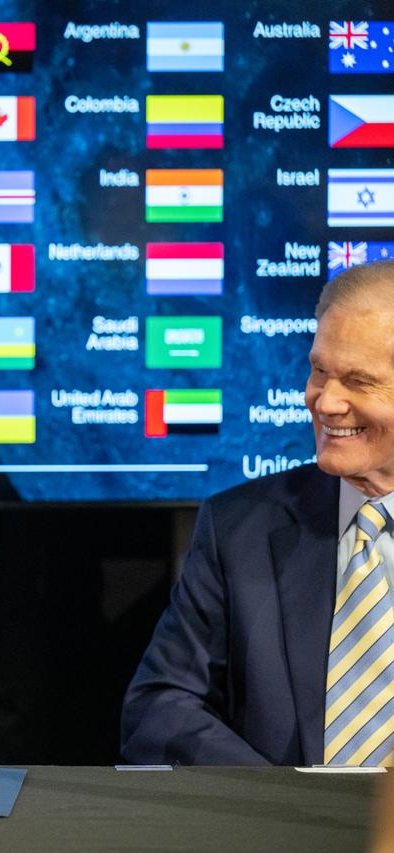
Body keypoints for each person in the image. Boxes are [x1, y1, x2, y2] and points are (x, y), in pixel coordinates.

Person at [122, 259, 394, 766]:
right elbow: (159, 711)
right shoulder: (238, 528)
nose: (324, 401)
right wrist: (291, 808)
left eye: (358, 381)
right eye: (318, 370)